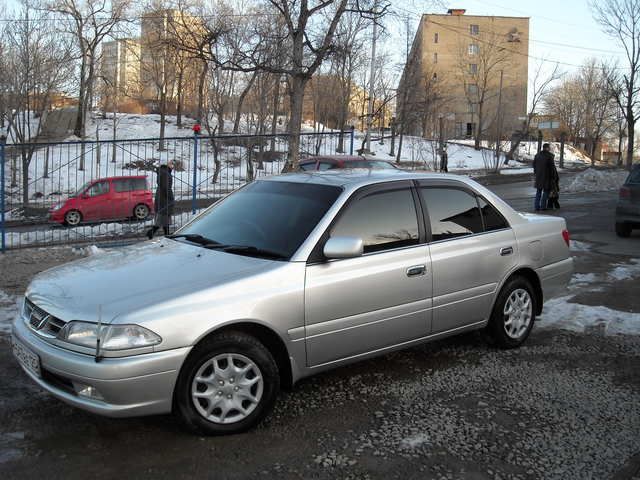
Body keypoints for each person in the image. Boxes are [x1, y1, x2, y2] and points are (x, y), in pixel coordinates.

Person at [147, 159, 175, 239]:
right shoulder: (165, 173)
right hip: (164, 199)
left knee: (164, 218)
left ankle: (167, 235)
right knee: (163, 217)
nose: (171, 165)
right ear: (166, 164)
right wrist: (171, 197)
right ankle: (152, 232)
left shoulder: (163, 172)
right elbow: (166, 187)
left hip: (161, 197)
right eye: (170, 163)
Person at [533, 143, 555, 211]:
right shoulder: (549, 156)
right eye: (549, 147)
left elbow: (534, 165)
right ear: (547, 148)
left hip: (539, 176)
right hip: (547, 177)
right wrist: (553, 176)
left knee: (538, 192)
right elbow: (552, 168)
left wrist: (536, 173)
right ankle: (543, 206)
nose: (550, 149)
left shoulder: (537, 155)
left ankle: (536, 207)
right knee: (546, 191)